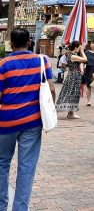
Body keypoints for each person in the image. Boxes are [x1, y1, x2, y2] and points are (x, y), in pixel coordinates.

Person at [0, 28, 56, 211]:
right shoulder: (42, 61)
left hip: (6, 122)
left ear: (11, 44)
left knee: (1, 164)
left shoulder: (3, 64)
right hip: (32, 122)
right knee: (27, 167)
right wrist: (49, 111)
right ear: (29, 42)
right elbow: (51, 89)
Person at [55, 41, 87, 118]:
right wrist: (82, 51)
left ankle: (71, 113)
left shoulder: (70, 54)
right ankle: (69, 112)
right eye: (79, 47)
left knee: (73, 92)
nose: (79, 49)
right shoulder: (73, 56)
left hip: (73, 74)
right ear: (76, 47)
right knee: (72, 92)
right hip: (74, 75)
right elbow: (85, 59)